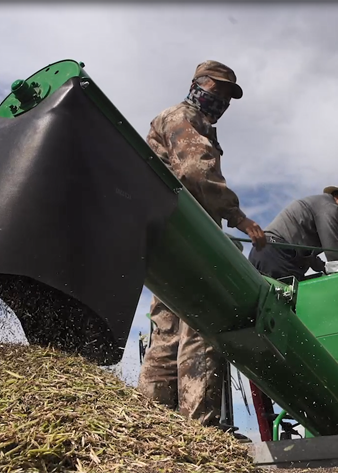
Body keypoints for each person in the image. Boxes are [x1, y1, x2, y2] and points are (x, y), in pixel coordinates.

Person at [137, 60, 266, 435]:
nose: (223, 100)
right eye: (220, 90)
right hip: (187, 236)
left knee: (168, 332)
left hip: (165, 238)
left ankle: (150, 424)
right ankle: (201, 430)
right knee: (204, 321)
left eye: (229, 96)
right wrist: (238, 217)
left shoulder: (176, 119)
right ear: (201, 84)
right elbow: (196, 171)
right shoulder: (183, 118)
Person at [248, 180, 338, 281]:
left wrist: (323, 267)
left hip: (265, 252)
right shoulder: (329, 207)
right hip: (277, 256)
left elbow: (306, 253)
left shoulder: (319, 206)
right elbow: (332, 246)